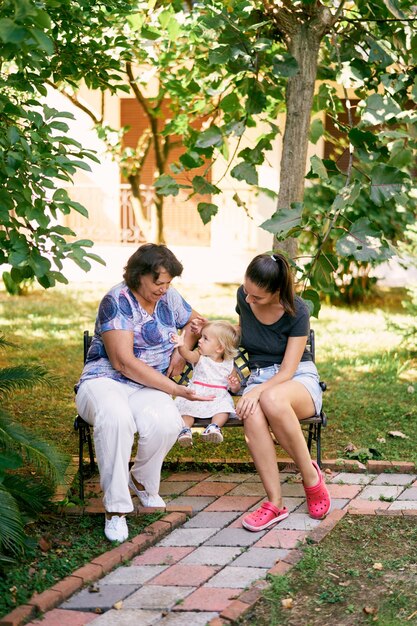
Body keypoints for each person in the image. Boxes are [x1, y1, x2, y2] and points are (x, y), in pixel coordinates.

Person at [74, 243, 210, 543]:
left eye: (168, 283)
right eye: (158, 282)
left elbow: (197, 322)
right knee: (116, 418)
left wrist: (181, 348)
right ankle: (116, 509)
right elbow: (123, 362)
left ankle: (140, 479)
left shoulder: (168, 298)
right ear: (139, 276)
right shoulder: (117, 299)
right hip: (104, 382)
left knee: (167, 422)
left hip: (148, 386)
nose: (164, 289)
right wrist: (175, 388)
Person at [235, 252, 331, 530]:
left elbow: (288, 370)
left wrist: (255, 391)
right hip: (260, 378)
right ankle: (275, 503)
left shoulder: (297, 311)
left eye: (258, 297)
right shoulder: (244, 296)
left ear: (277, 291)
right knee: (252, 413)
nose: (249, 300)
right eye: (247, 292)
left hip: (296, 379)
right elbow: (245, 331)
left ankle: (311, 478)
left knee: (271, 399)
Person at [172, 320, 241, 447]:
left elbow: (236, 389)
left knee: (223, 409)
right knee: (186, 408)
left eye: (205, 338)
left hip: (217, 396)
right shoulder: (199, 357)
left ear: (219, 348)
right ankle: (185, 430)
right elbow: (187, 355)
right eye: (201, 337)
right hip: (196, 393)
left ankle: (214, 427)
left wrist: (234, 384)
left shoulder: (229, 364)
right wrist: (181, 345)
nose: (200, 340)